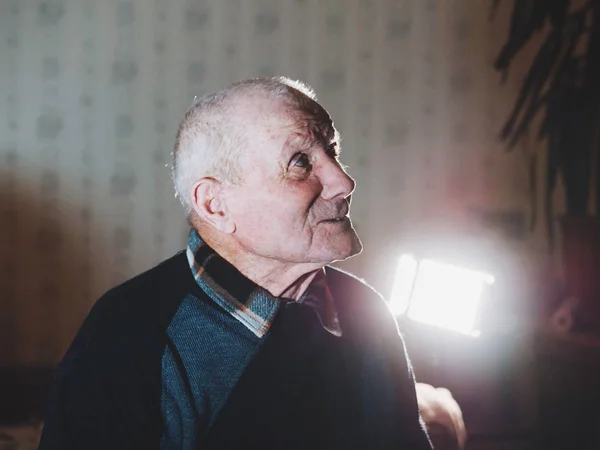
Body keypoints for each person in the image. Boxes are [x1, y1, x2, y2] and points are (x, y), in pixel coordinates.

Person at [39, 77, 464, 449]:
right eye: (300, 162)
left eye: (332, 150)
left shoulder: (366, 311)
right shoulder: (127, 334)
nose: (343, 181)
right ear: (216, 204)